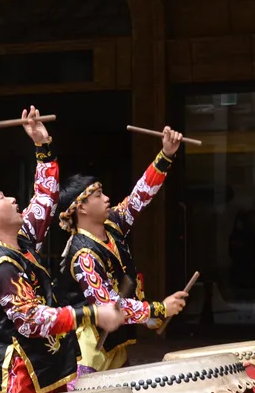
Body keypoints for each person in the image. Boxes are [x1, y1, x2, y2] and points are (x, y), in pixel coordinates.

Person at [0, 108, 123, 393]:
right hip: (17, 381)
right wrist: (92, 312)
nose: (13, 199)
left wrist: (42, 146)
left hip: (39, 368)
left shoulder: (21, 239)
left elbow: (45, 197)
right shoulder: (1, 265)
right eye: (2, 198)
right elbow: (32, 320)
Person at [56, 126, 189, 373]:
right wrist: (158, 308)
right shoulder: (83, 255)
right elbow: (109, 306)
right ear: (81, 208)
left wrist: (166, 154)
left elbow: (141, 195)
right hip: (87, 348)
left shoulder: (113, 224)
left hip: (112, 341)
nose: (107, 198)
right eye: (97, 195)